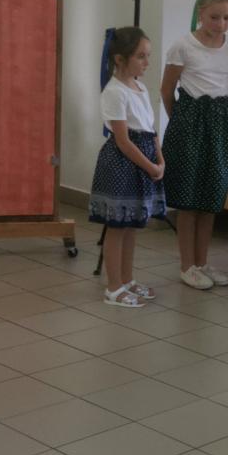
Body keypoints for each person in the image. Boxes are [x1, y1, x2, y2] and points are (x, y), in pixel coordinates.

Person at [161, 0, 228, 291]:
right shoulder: (183, 46)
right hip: (189, 121)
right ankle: (187, 266)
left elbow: (225, 84)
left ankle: (202, 261)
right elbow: (167, 90)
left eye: (226, 18)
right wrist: (183, 122)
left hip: (220, 123)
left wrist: (212, 119)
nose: (220, 24)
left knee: (210, 198)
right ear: (201, 13)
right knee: (188, 199)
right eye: (214, 17)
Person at [89, 27, 166, 308]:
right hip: (122, 164)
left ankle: (127, 279)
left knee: (132, 225)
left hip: (143, 162)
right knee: (117, 227)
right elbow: (123, 141)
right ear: (120, 59)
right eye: (141, 57)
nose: (147, 63)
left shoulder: (140, 87)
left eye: (148, 56)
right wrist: (149, 166)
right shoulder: (114, 92)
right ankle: (113, 288)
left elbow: (150, 129)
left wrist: (160, 160)